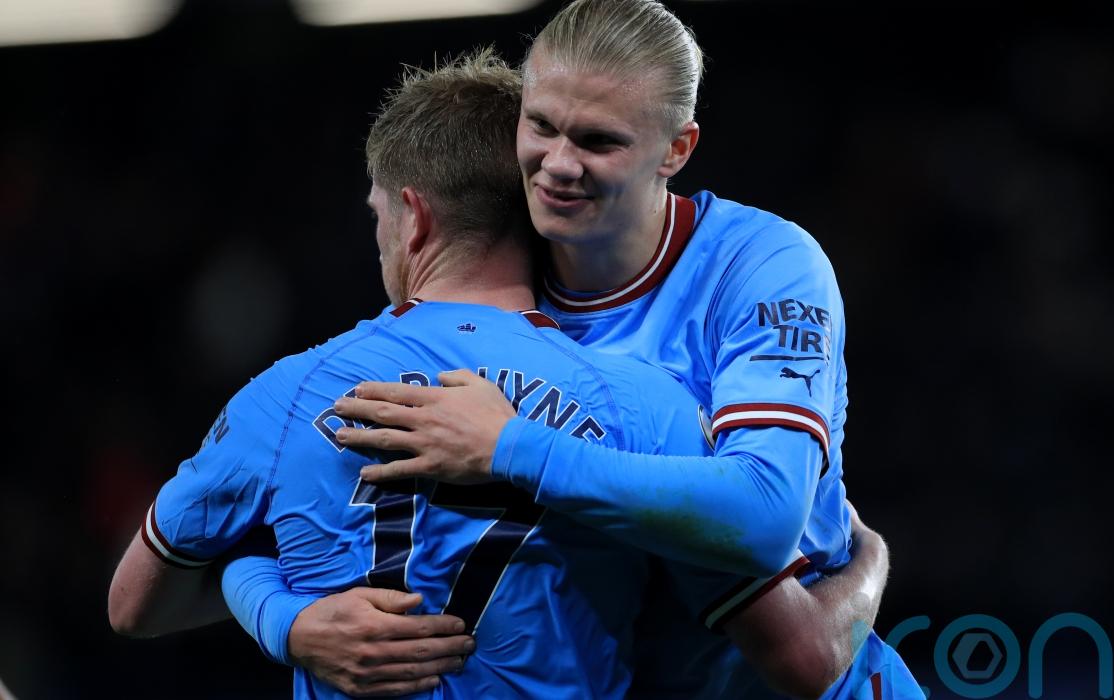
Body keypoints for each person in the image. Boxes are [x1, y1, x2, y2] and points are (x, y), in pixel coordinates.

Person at [107, 48, 895, 699]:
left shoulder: (285, 397)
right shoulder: (648, 408)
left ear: (413, 216)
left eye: (378, 215)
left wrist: (282, 617)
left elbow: (134, 604)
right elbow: (803, 656)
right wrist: (871, 558)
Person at [316, 1, 924, 697]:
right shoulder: (491, 289)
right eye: (541, 125)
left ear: (676, 150)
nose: (558, 165)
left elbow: (765, 516)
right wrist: (288, 620)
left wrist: (511, 448)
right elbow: (279, 488)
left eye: (598, 141)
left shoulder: (760, 264)